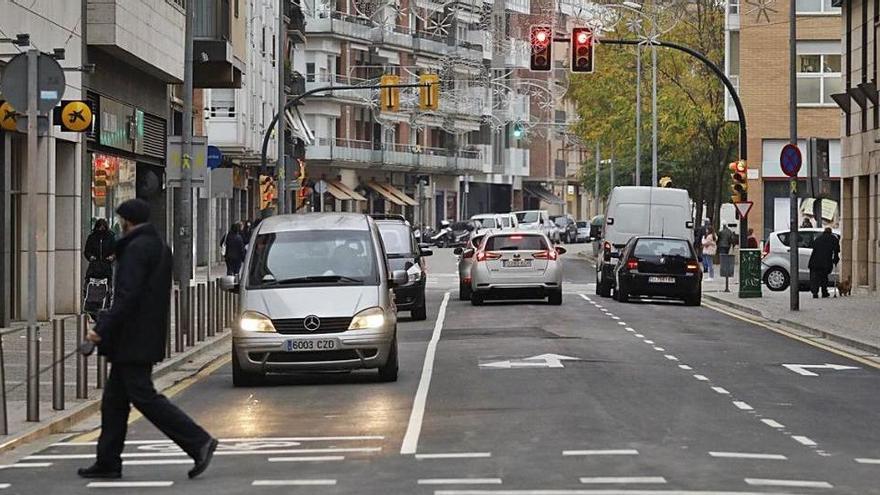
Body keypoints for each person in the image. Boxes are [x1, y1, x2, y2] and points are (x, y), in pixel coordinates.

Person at [79, 198, 217, 480]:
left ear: (127, 220)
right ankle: (107, 461)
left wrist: (100, 328)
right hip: (145, 334)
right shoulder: (157, 246)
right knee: (114, 402)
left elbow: (127, 295)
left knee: (144, 397)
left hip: (133, 338)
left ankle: (198, 441)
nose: (119, 224)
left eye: (120, 219)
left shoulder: (137, 249)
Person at [83, 219, 117, 317]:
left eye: (103, 226)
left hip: (106, 265)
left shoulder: (110, 237)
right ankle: (90, 304)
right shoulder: (92, 237)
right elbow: (87, 251)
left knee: (107, 285)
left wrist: (112, 257)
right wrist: (91, 257)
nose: (101, 228)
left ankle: (106, 303)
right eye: (100, 226)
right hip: (94, 265)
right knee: (91, 283)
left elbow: (115, 250)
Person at [808, 227, 840, 299]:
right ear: (830, 232)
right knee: (824, 277)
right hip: (825, 261)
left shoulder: (818, 238)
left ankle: (815, 293)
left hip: (814, 261)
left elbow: (813, 246)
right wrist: (835, 259)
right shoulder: (833, 239)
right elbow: (836, 250)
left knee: (815, 278)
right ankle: (824, 292)